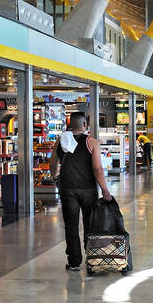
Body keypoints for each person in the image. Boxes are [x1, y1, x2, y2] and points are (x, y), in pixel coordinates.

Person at [49, 111, 117, 271]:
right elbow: (97, 168)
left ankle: (74, 261)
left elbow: (53, 163)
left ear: (70, 124)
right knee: (90, 223)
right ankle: (92, 257)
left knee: (71, 225)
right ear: (84, 125)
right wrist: (105, 189)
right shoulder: (92, 142)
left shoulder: (60, 141)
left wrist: (55, 177)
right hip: (88, 189)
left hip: (68, 189)